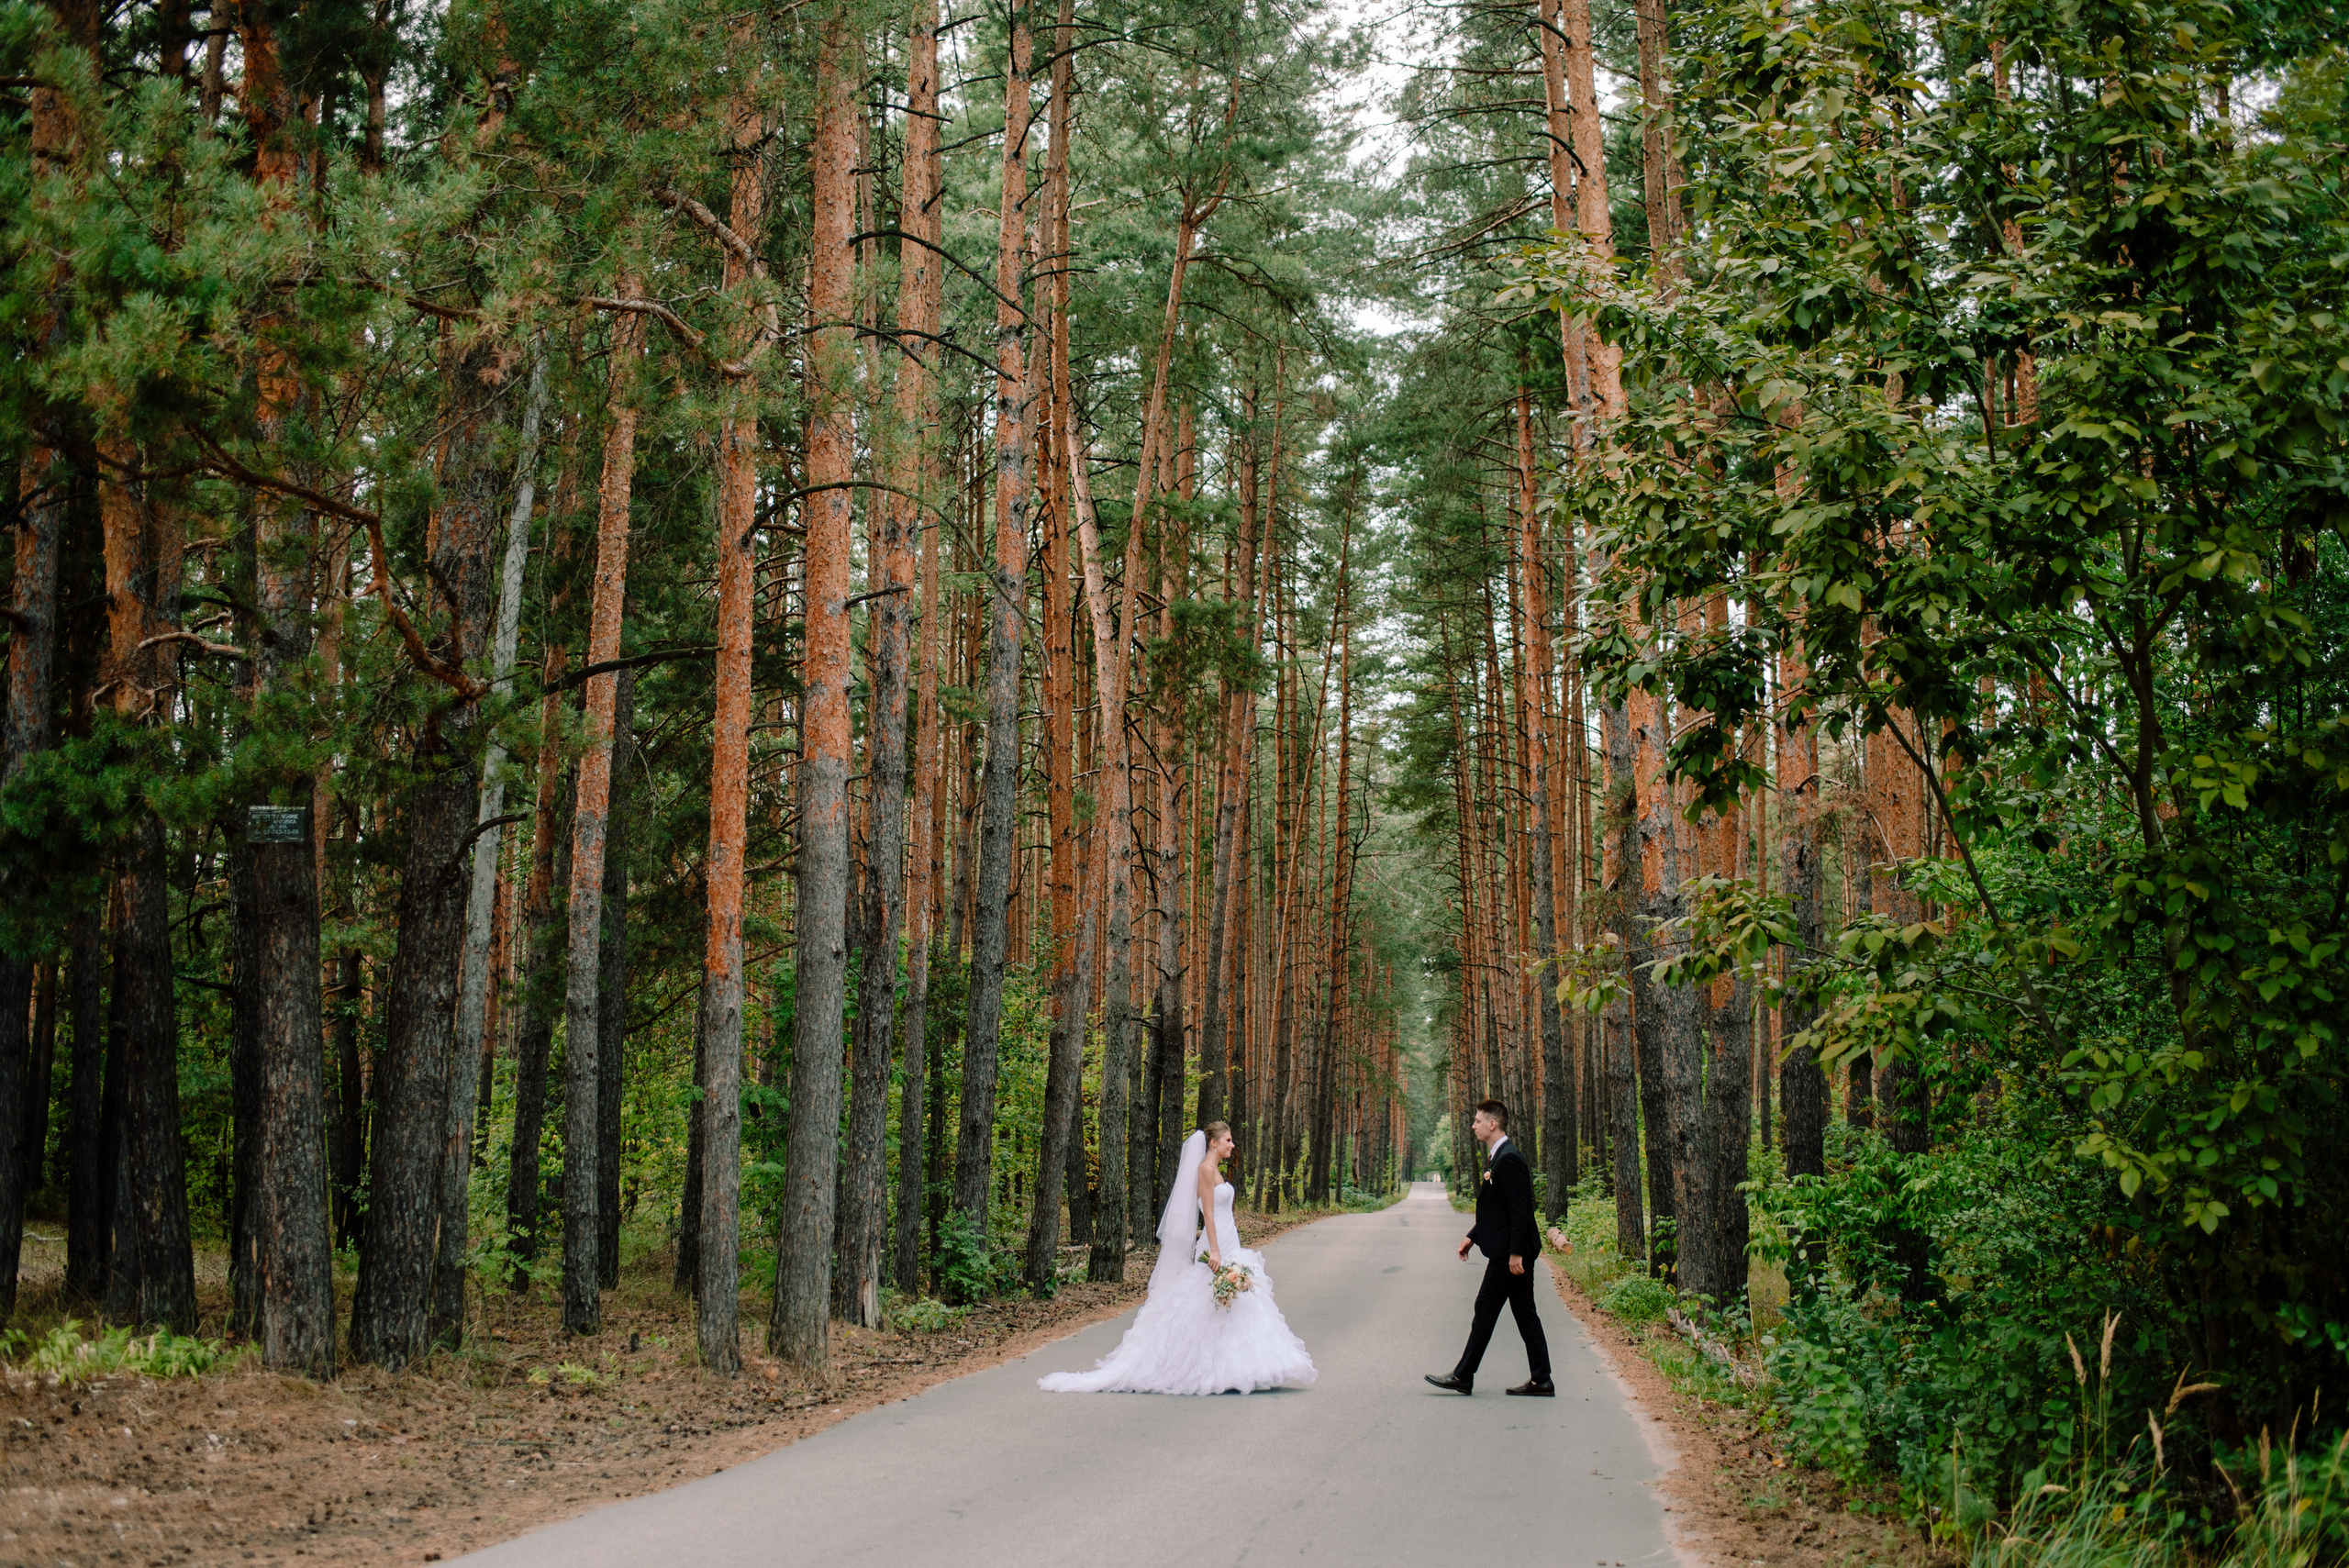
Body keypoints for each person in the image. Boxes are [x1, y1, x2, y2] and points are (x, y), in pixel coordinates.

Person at [1039, 1121, 1317, 1395]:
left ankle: (1239, 1366)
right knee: (1211, 1296)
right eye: (1228, 1140)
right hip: (1217, 1240)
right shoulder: (1206, 1170)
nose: (1232, 1145)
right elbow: (1208, 1213)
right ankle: (1205, 1367)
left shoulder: (1216, 1171)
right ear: (1214, 1142)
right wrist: (1215, 1251)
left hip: (1229, 1237)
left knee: (1234, 1300)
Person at [1425, 1099, 1553, 1396]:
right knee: (1524, 1313)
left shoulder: (1508, 1158)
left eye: (1478, 1120)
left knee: (1486, 1308)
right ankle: (1541, 1379)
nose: (1474, 1125)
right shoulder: (1500, 1157)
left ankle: (1463, 1375)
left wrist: (1516, 1253)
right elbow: (1498, 1209)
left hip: (1509, 1254)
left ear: (1492, 1124)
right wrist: (1473, 1235)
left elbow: (1521, 1209)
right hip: (1508, 1248)